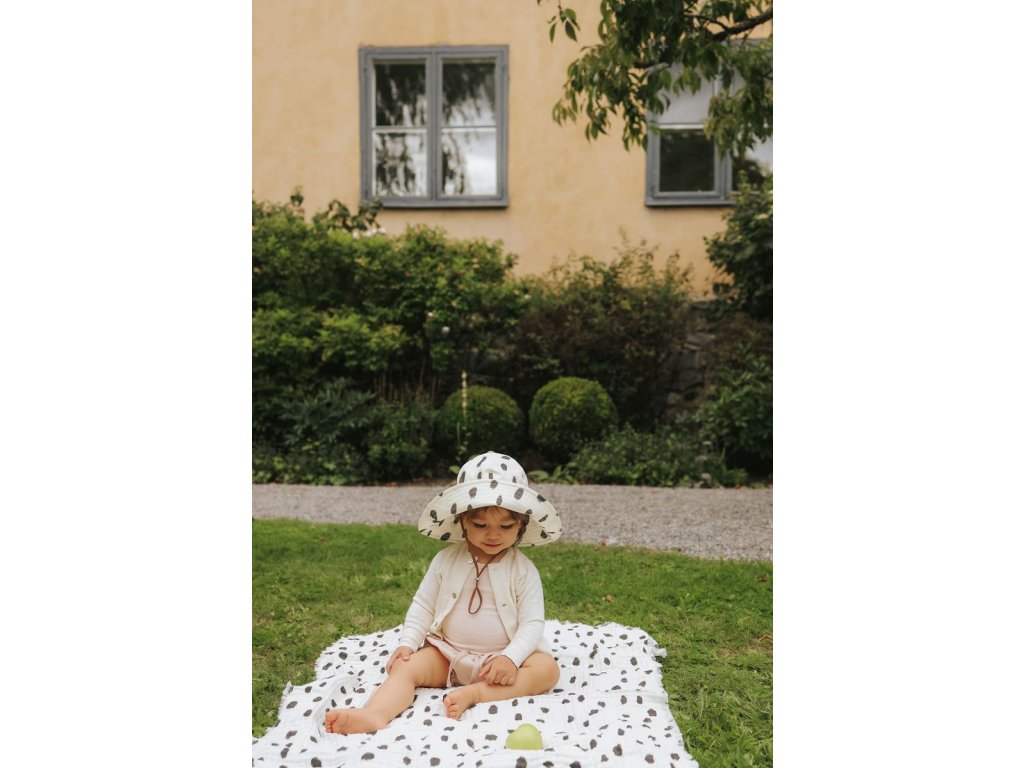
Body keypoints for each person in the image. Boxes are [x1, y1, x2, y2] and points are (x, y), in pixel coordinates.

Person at [324, 451, 563, 734]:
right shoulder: (446, 560)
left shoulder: (523, 570)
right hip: (448, 655)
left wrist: (511, 658)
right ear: (463, 520)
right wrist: (408, 643)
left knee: (547, 670)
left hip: (501, 660)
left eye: (506, 526)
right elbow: (423, 605)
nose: (493, 534)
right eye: (481, 525)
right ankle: (375, 713)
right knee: (404, 668)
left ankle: (476, 693)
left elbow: (532, 622)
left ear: (521, 522)